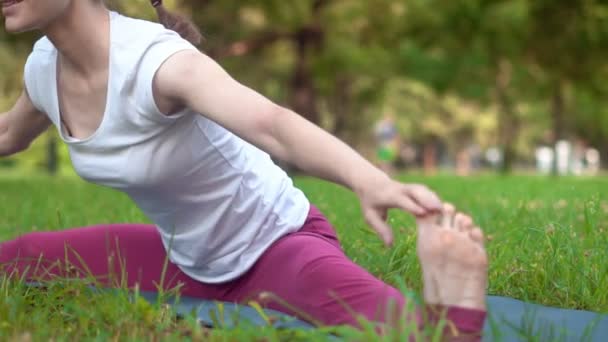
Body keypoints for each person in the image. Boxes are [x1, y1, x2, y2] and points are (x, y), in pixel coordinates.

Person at [0, 0, 488, 338]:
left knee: (397, 330)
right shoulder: (45, 69)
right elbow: (8, 136)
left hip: (275, 245)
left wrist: (372, 180)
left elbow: (272, 124)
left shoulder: (158, 63)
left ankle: (457, 305)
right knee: (14, 258)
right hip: (184, 260)